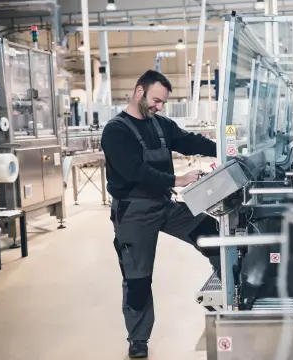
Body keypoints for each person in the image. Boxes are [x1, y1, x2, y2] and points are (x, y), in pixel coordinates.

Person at [101, 70, 220, 359]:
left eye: (163, 102)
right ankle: (138, 340)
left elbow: (189, 141)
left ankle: (232, 293)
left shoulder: (159, 124)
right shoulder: (116, 131)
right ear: (138, 91)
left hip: (164, 204)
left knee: (212, 233)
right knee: (138, 280)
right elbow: (135, 172)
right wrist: (177, 179)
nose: (159, 107)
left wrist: (228, 150)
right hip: (134, 211)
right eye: (155, 100)